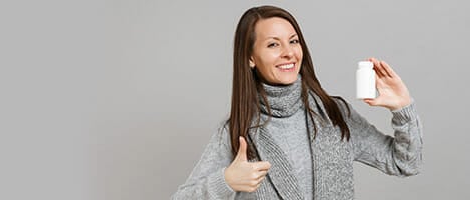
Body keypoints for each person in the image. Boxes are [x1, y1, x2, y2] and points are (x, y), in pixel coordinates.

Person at [172, 5, 423, 200]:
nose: (289, 52)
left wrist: (402, 110)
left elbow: (405, 163)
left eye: (293, 41)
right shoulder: (236, 133)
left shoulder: (334, 114)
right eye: (273, 44)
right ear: (250, 58)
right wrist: (226, 181)